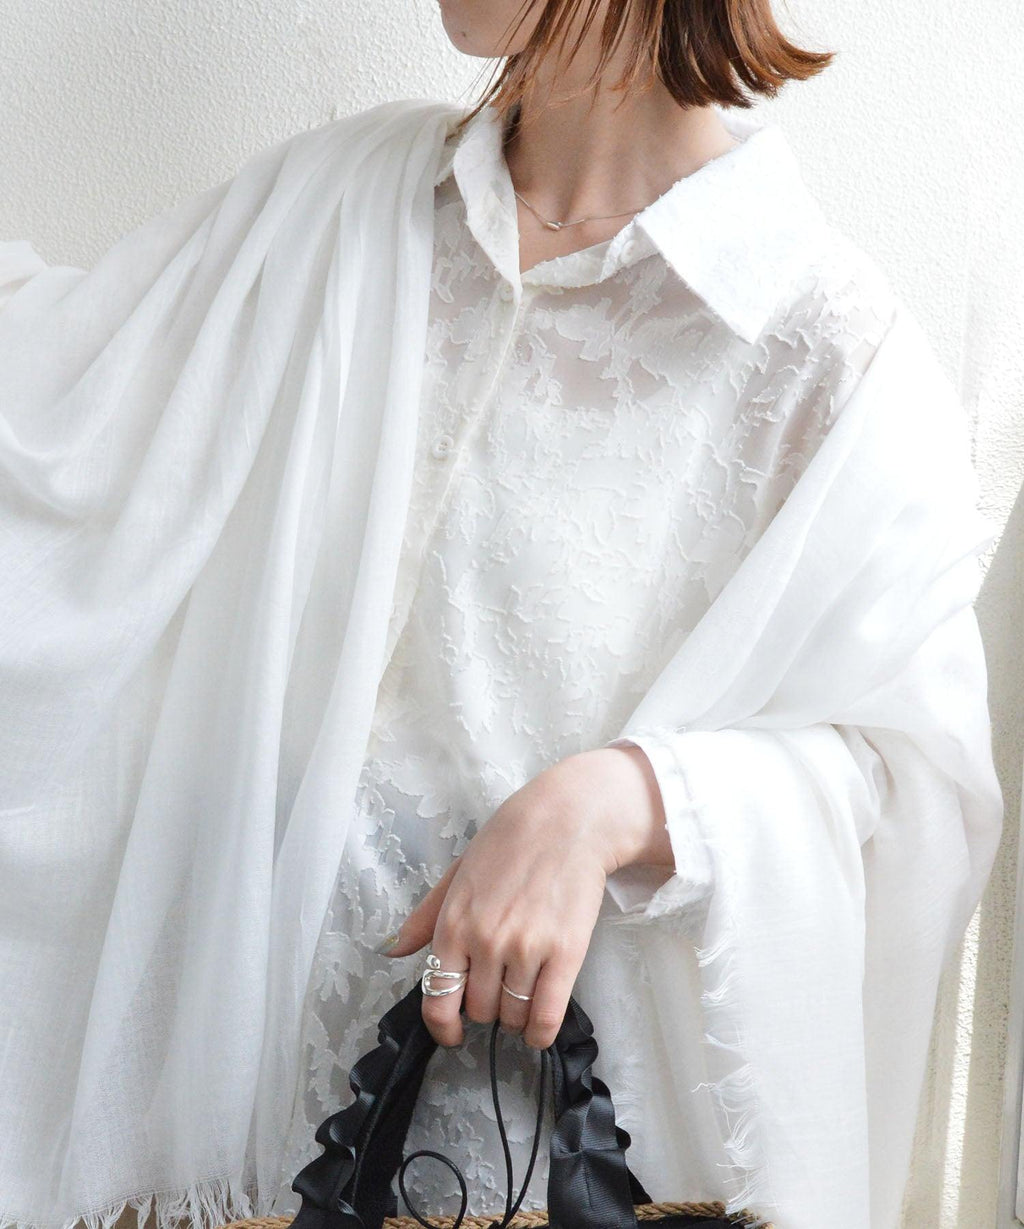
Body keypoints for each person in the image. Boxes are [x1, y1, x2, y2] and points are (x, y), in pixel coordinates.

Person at [0, 3, 1002, 1229]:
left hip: (575, 1167)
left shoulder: (823, 351)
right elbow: (48, 429)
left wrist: (619, 801)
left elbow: (913, 787)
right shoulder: (347, 209)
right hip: (251, 1128)